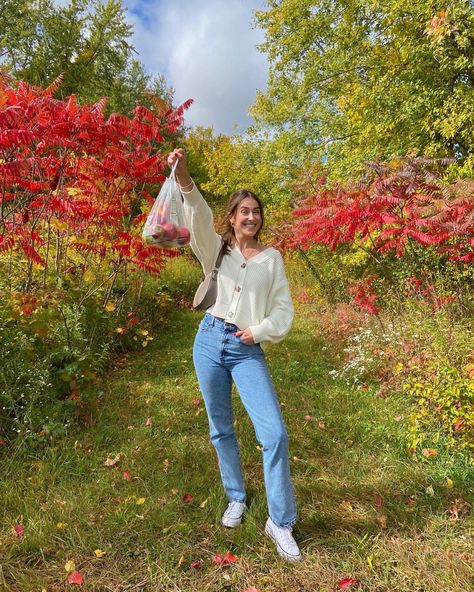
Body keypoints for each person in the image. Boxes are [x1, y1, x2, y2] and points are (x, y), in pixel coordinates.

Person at [167, 148, 301, 562]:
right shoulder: (215, 250)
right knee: (220, 427)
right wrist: (184, 175)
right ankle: (236, 498)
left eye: (256, 212)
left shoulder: (272, 259)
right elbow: (197, 213)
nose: (250, 217)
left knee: (274, 433)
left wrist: (258, 330)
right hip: (208, 340)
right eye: (243, 211)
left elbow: (283, 310)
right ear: (231, 217)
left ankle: (279, 521)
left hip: (246, 349)